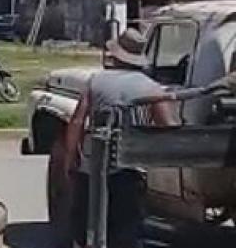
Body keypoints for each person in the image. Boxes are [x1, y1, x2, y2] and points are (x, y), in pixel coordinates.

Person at [64, 28, 176, 248]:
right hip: (129, 169)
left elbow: (77, 121)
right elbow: (167, 125)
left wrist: (70, 157)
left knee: (86, 225)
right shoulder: (151, 87)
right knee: (125, 229)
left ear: (116, 54)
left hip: (91, 166)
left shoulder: (96, 81)